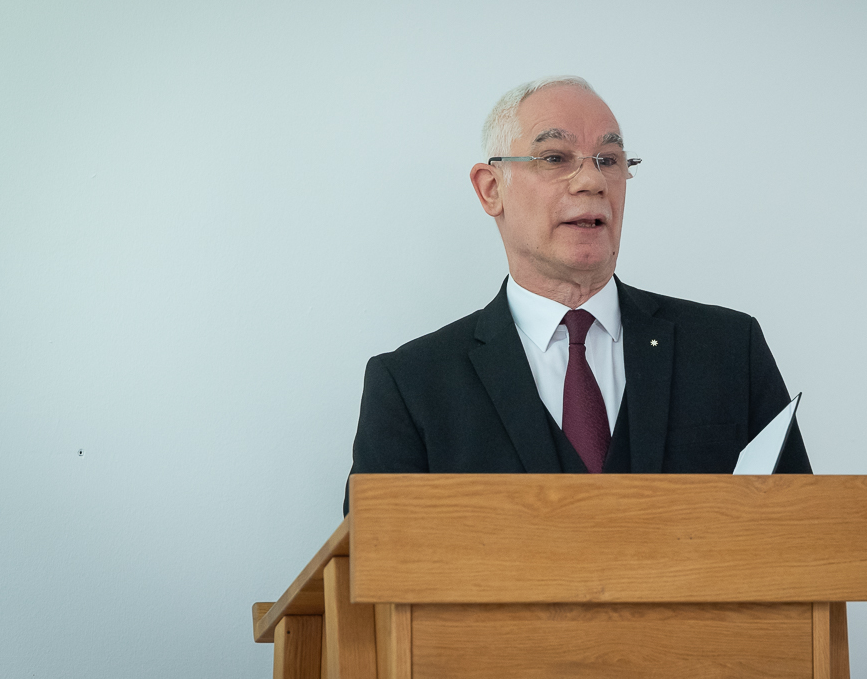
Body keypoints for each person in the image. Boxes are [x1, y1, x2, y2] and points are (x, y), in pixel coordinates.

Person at [344, 76, 809, 514]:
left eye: (609, 160)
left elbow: (803, 531)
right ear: (491, 190)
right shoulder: (412, 385)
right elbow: (378, 561)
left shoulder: (729, 349)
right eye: (555, 158)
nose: (592, 182)